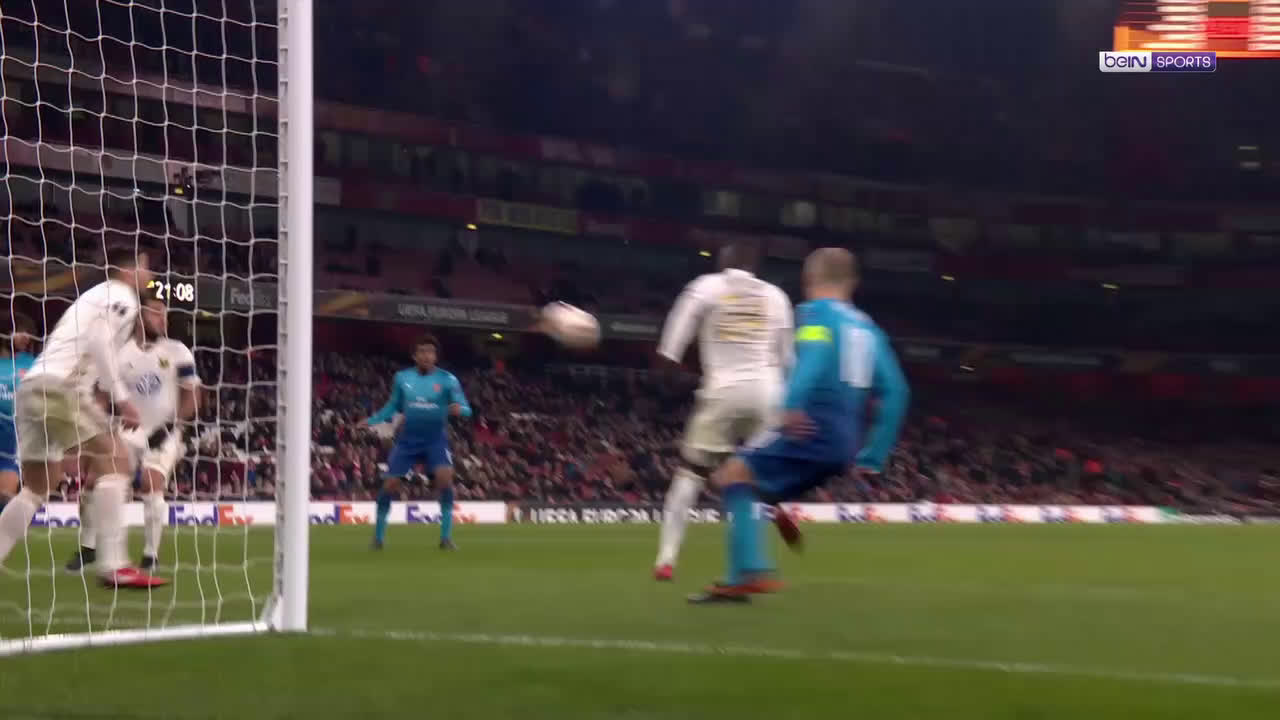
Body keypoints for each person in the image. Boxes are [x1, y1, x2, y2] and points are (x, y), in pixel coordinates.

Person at [689, 248, 909, 604]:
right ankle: (761, 535)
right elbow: (897, 391)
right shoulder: (869, 330)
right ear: (853, 282)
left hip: (810, 427)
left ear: (808, 279)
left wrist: (791, 406)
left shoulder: (816, 314)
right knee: (748, 483)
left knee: (730, 476)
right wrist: (874, 454)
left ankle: (749, 573)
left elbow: (813, 360)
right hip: (846, 443)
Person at [0, 247, 165, 588]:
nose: (150, 275)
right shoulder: (122, 295)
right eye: (146, 267)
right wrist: (123, 401)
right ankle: (114, 565)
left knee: (37, 487)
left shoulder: (92, 298)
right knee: (117, 460)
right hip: (60, 387)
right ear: (129, 270)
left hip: (32, 387)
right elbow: (99, 341)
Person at [652, 242, 794, 581]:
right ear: (756, 266)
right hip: (769, 392)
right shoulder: (776, 296)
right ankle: (774, 510)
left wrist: (670, 389)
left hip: (723, 390)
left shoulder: (705, 287)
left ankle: (666, 560)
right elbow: (789, 361)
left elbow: (669, 352)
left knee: (691, 473)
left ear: (723, 261)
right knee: (754, 475)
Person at [66, 298, 200, 572]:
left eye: (164, 314)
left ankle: (150, 556)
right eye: (155, 312)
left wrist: (171, 427)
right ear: (139, 317)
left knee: (151, 484)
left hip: (165, 432)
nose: (162, 318)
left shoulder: (178, 351)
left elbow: (193, 396)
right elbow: (102, 397)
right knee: (94, 481)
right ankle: (88, 549)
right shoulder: (120, 354)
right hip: (129, 432)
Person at [365, 335, 471, 550]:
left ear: (436, 356)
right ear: (414, 356)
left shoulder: (448, 379)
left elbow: (467, 409)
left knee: (445, 480)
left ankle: (446, 538)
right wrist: (373, 420)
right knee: (390, 485)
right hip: (407, 441)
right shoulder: (402, 378)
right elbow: (393, 405)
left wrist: (460, 410)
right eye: (422, 351)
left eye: (430, 351)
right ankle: (378, 537)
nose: (426, 355)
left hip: (435, 440)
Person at [0, 313, 38, 511]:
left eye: (28, 332)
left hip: (10, 441)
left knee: (4, 497)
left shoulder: (32, 364)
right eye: (20, 331)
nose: (26, 336)